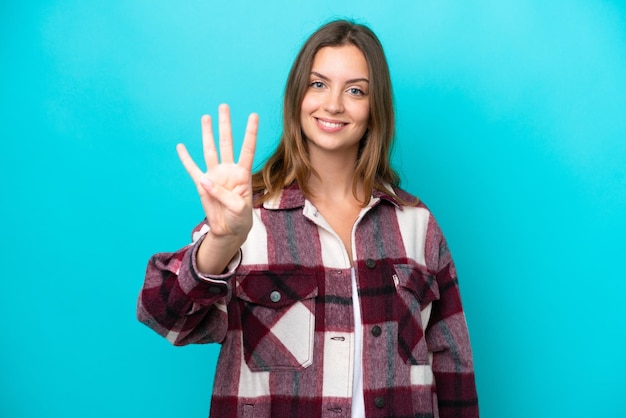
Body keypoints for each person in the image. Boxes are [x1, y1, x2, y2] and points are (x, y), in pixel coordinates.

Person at [137, 19, 479, 418]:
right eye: (318, 84)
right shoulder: (246, 216)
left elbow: (453, 366)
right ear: (297, 96)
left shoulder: (417, 224)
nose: (333, 104)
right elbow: (164, 318)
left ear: (375, 108)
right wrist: (221, 242)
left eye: (355, 90)